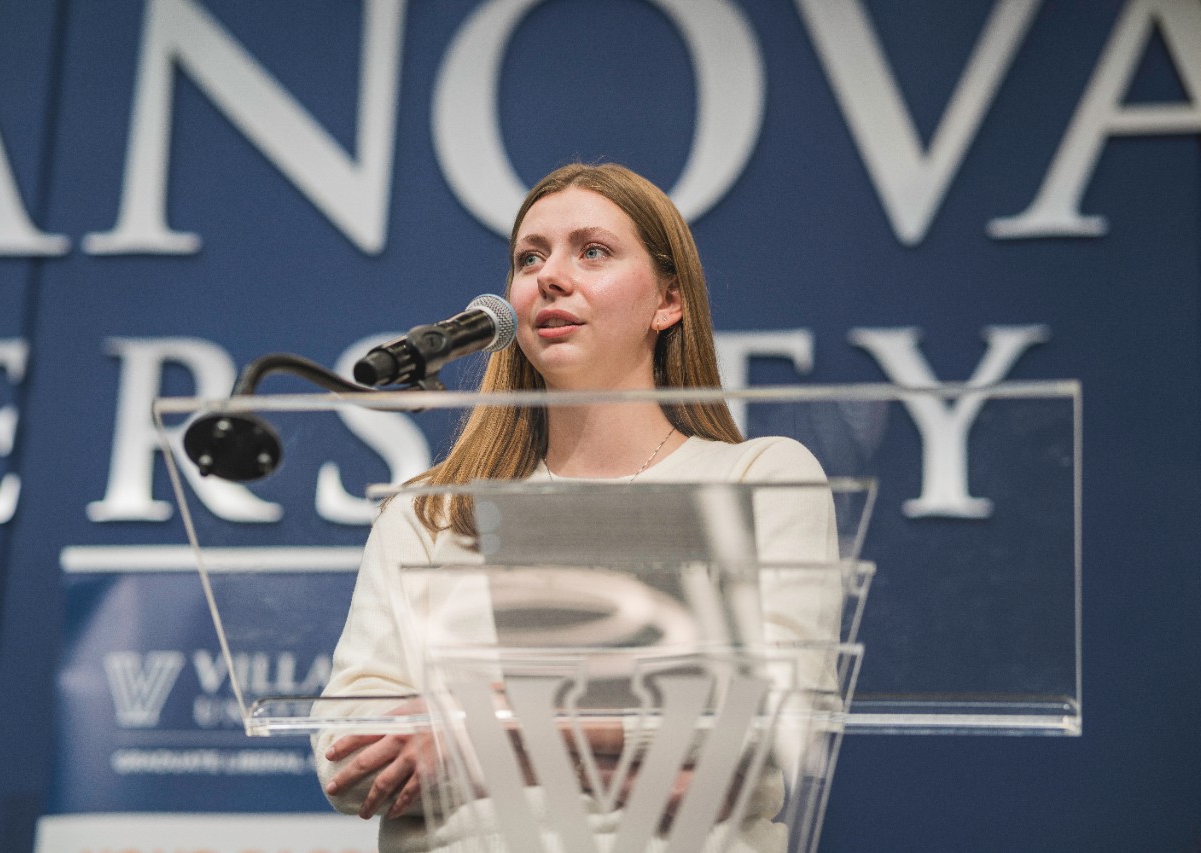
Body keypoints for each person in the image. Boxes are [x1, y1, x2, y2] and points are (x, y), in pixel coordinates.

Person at [313, 163, 838, 852]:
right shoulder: (431, 512)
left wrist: (482, 726)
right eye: (530, 257)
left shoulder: (759, 478)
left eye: (592, 251)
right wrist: (644, 743)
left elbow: (773, 713)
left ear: (668, 301)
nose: (549, 277)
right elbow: (346, 759)